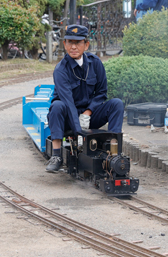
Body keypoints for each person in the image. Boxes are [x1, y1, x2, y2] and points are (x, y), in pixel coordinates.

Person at [45, 25, 124, 172]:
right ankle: (56, 155)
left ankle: (114, 152)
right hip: (68, 118)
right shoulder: (61, 70)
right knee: (57, 106)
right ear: (65, 44)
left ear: (86, 45)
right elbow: (68, 102)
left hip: (89, 116)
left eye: (78, 43)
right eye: (70, 42)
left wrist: (88, 112)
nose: (73, 47)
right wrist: (80, 132)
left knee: (116, 104)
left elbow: (101, 92)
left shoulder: (95, 63)